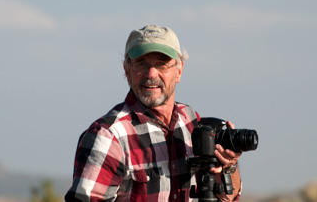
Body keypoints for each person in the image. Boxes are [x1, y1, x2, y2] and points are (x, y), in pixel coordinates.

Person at [65, 25, 242, 202]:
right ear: (127, 70)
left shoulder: (191, 121)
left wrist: (229, 166)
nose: (151, 74)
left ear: (179, 70)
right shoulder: (108, 136)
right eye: (142, 63)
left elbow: (227, 197)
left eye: (162, 64)